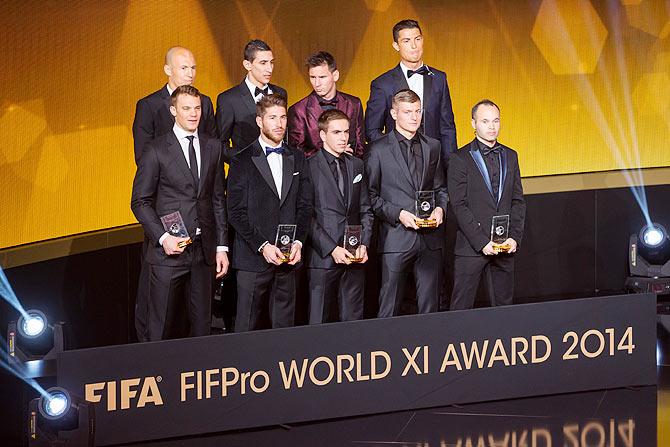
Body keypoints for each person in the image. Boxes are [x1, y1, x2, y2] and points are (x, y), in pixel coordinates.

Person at [131, 47, 217, 341]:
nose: (194, 114)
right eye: (187, 109)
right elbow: (140, 199)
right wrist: (163, 237)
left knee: (201, 328)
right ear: (173, 111)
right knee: (161, 325)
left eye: (197, 109)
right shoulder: (155, 149)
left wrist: (220, 247)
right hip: (168, 248)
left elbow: (215, 196)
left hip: (203, 250)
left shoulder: (212, 147)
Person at [227, 94, 312, 331]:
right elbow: (235, 212)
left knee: (284, 334)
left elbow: (305, 206)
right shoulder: (241, 160)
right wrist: (263, 246)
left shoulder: (297, 157)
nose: (279, 123)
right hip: (253, 259)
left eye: (283, 117)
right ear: (259, 121)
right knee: (246, 329)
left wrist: (298, 243)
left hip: (288, 258)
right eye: (272, 117)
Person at [366, 89, 448, 318]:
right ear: (394, 113)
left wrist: (440, 209)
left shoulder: (433, 146)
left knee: (430, 309)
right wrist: (399, 214)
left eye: (417, 111)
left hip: (430, 240)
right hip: (396, 238)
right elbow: (371, 197)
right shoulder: (378, 149)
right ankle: (383, 351)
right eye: (407, 112)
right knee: (389, 308)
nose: (414, 117)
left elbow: (441, 188)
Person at [448, 99, 526, 310]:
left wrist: (514, 237)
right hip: (472, 247)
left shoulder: (511, 156)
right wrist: (482, 242)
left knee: (504, 310)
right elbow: (458, 205)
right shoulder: (459, 158)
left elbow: (518, 201)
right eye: (485, 121)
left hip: (504, 246)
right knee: (460, 310)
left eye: (495, 121)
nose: (492, 127)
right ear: (473, 124)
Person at [304, 110, 373, 323]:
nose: (344, 137)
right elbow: (306, 215)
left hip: (354, 256)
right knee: (319, 323)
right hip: (323, 257)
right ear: (323, 135)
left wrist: (364, 245)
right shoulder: (308, 166)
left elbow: (366, 210)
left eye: (346, 132)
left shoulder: (357, 165)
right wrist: (332, 249)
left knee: (353, 324)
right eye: (337, 132)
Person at [365, 19, 457, 165]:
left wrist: (451, 167)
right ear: (396, 45)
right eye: (406, 41)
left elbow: (447, 128)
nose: (414, 46)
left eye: (417, 39)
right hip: (397, 166)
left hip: (434, 164)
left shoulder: (439, 78)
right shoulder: (382, 84)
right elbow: (372, 131)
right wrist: (393, 154)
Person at [132, 46, 216, 164]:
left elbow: (213, 147)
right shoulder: (149, 105)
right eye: (184, 68)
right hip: (164, 179)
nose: (190, 74)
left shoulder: (205, 102)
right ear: (168, 70)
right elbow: (143, 156)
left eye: (193, 68)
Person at [216, 40, 288, 160]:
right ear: (247, 65)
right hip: (246, 174)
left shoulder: (281, 93)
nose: (269, 69)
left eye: (271, 63)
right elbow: (220, 144)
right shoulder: (228, 99)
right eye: (263, 63)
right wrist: (242, 162)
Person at [288, 51, 365, 158]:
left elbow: (359, 145)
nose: (317, 83)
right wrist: (331, 154)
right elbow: (297, 151)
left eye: (322, 77)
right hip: (315, 172)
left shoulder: (354, 104)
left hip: (349, 169)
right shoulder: (298, 110)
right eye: (313, 77)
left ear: (335, 75)